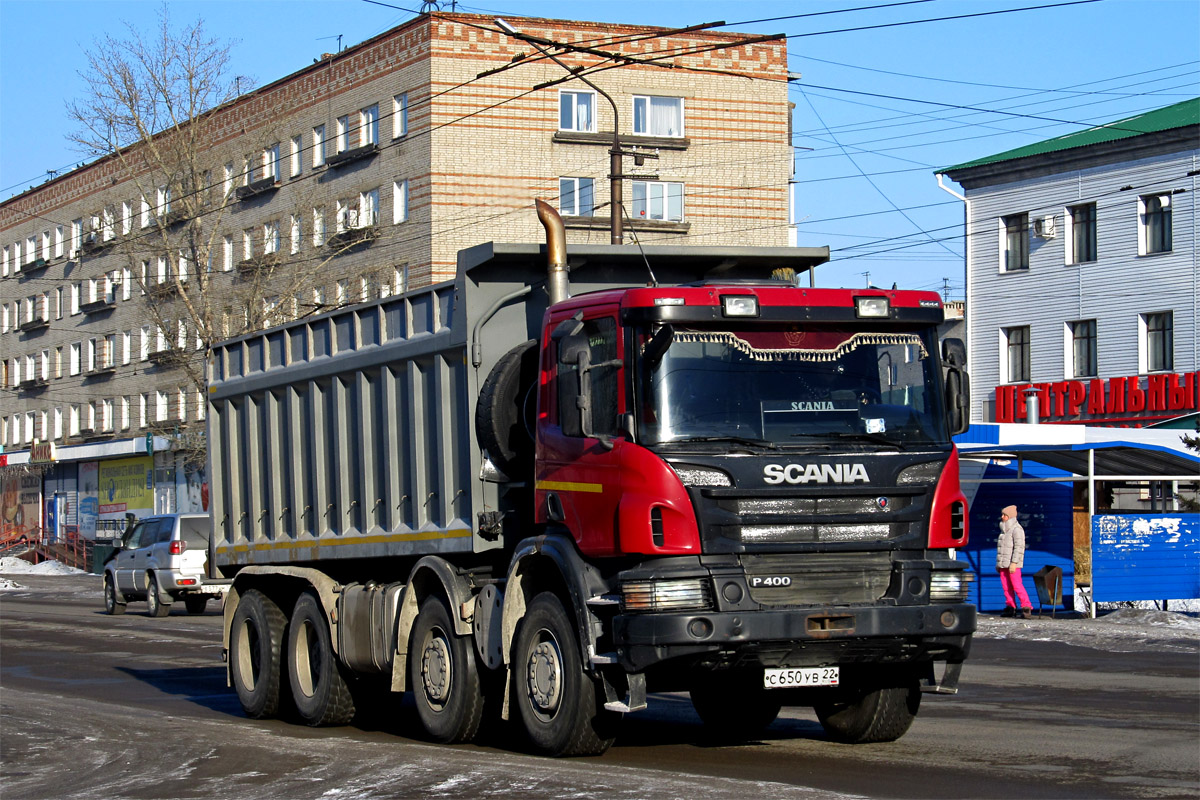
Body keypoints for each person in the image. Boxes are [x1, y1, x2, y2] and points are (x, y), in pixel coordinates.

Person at [997, 505, 1032, 619]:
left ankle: (1026, 606)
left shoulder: (1017, 529)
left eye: (1005, 515)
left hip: (1013, 564)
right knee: (1006, 586)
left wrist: (1014, 562)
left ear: (1010, 516)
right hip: (1004, 564)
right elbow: (1001, 549)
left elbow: (1019, 547)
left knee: (1017, 585)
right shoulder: (1003, 531)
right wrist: (999, 564)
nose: (1002, 517)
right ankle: (1010, 606)